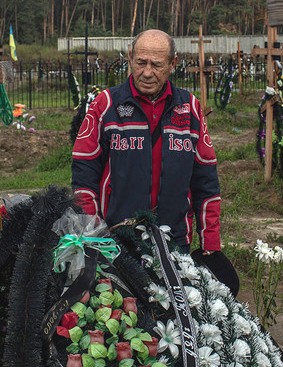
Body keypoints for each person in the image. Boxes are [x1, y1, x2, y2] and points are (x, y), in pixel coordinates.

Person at [72, 29, 237, 294]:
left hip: (175, 244)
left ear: (173, 63)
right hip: (116, 244)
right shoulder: (105, 106)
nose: (147, 72)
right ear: (130, 58)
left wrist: (210, 247)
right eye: (141, 62)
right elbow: (83, 177)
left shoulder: (191, 109)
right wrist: (93, 235)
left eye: (157, 65)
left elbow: (206, 182)